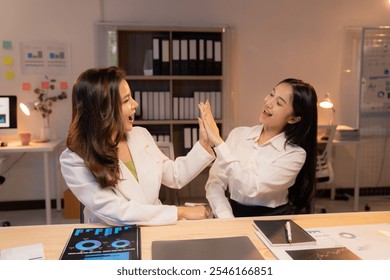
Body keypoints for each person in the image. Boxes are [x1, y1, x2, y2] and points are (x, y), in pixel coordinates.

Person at [60, 66, 215, 226]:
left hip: (156, 227)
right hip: (114, 236)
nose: (135, 104)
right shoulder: (74, 159)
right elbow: (118, 211)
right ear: (103, 110)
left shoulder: (141, 135)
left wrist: (204, 142)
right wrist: (180, 211)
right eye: (126, 100)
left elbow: (174, 175)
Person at [200, 78, 318, 217]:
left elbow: (252, 188)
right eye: (271, 94)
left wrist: (218, 142)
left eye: (279, 103)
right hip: (231, 213)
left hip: (272, 220)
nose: (268, 102)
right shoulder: (238, 134)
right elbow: (215, 182)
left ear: (293, 119)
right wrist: (226, 215)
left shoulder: (295, 154)